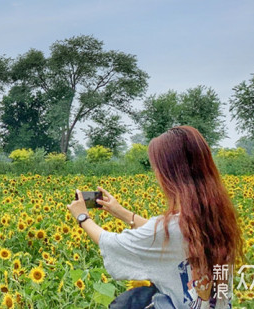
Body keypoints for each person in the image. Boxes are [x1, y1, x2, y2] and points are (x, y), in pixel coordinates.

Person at [66, 125, 244, 308]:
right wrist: (122, 213)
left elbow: (114, 243)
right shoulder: (217, 218)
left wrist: (82, 217)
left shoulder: (169, 229)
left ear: (169, 174)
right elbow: (170, 236)